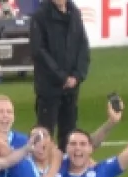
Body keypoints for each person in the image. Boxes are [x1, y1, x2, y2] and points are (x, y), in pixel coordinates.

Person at [29, 0, 91, 150]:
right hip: (49, 87)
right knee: (44, 132)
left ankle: (66, 162)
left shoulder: (74, 13)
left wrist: (77, 75)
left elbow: (83, 45)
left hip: (71, 87)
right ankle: (42, 163)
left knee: (69, 133)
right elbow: (39, 51)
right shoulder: (40, 16)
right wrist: (62, 77)